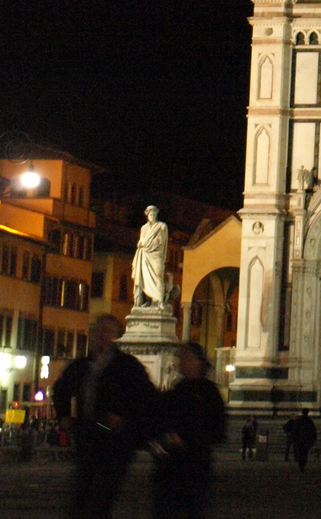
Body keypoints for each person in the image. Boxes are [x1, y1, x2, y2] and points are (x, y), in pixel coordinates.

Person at [51, 313, 157, 519]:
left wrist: (124, 419)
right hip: (89, 436)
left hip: (115, 442)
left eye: (107, 332)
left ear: (115, 336)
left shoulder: (127, 366)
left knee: (102, 496)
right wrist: (63, 415)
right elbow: (61, 389)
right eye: (99, 332)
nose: (102, 336)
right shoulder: (83, 365)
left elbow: (146, 398)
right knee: (82, 494)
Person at [151, 342, 227, 519]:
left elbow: (217, 429)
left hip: (194, 467)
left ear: (197, 362)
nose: (180, 362)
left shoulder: (208, 393)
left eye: (185, 357)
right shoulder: (177, 390)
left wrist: (187, 439)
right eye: (180, 357)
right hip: (170, 468)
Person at [131, 206, 170, 308]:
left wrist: (145, 243)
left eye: (153, 214)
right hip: (145, 255)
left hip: (156, 255)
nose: (152, 216)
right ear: (147, 215)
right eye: (150, 214)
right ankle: (148, 301)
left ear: (156, 215)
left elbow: (160, 242)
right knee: (144, 278)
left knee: (158, 277)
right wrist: (142, 243)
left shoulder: (162, 226)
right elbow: (141, 241)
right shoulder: (143, 228)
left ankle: (159, 301)